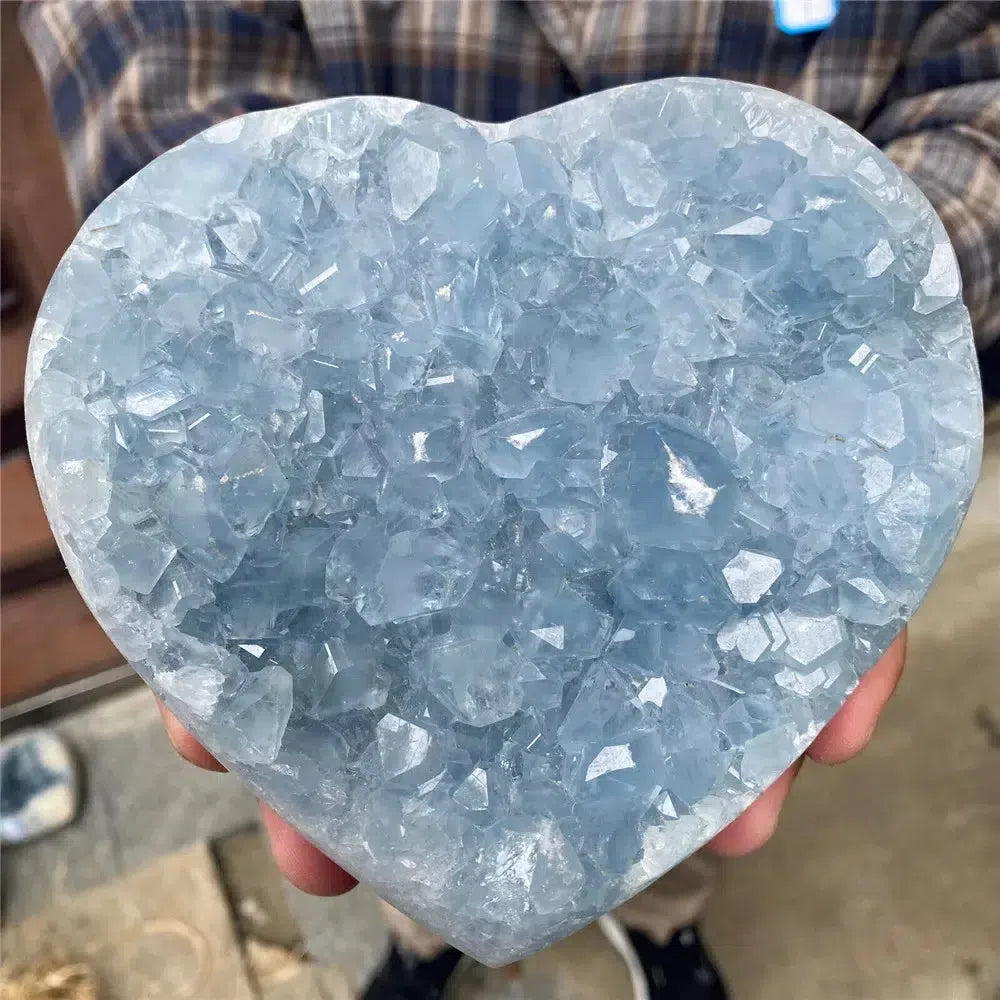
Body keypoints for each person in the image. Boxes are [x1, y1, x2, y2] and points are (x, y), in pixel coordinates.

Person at [22, 2, 996, 998]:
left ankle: (661, 925)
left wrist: (851, 316)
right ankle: (423, 939)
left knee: (686, 806)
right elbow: (143, 43)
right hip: (375, 557)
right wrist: (267, 248)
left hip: (691, 559)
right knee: (394, 815)